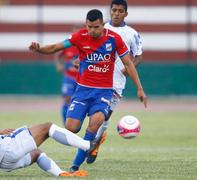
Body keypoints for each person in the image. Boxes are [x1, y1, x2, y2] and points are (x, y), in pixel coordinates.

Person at [29, 9, 147, 173]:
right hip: (82, 91)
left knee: (94, 125)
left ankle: (75, 166)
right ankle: (89, 143)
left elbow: (128, 63)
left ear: (102, 25)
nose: (92, 30)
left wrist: (140, 89)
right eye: (89, 27)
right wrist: (39, 49)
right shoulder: (80, 36)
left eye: (96, 27)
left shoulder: (114, 39)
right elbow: (56, 47)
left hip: (104, 92)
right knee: (71, 128)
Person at [85, 0, 144, 165]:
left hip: (117, 82)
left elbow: (138, 55)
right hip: (96, 77)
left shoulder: (132, 33)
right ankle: (92, 138)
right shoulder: (100, 28)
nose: (116, 13)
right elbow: (87, 47)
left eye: (120, 11)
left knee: (104, 116)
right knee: (92, 115)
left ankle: (95, 143)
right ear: (110, 11)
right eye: (114, 10)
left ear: (126, 13)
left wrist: (131, 66)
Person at [53, 25, 81, 125]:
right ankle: (66, 124)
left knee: (77, 102)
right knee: (67, 99)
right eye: (73, 33)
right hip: (69, 77)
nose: (75, 35)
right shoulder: (67, 45)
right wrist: (59, 65)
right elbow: (57, 55)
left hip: (80, 79)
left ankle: (75, 123)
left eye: (77, 33)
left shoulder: (85, 46)